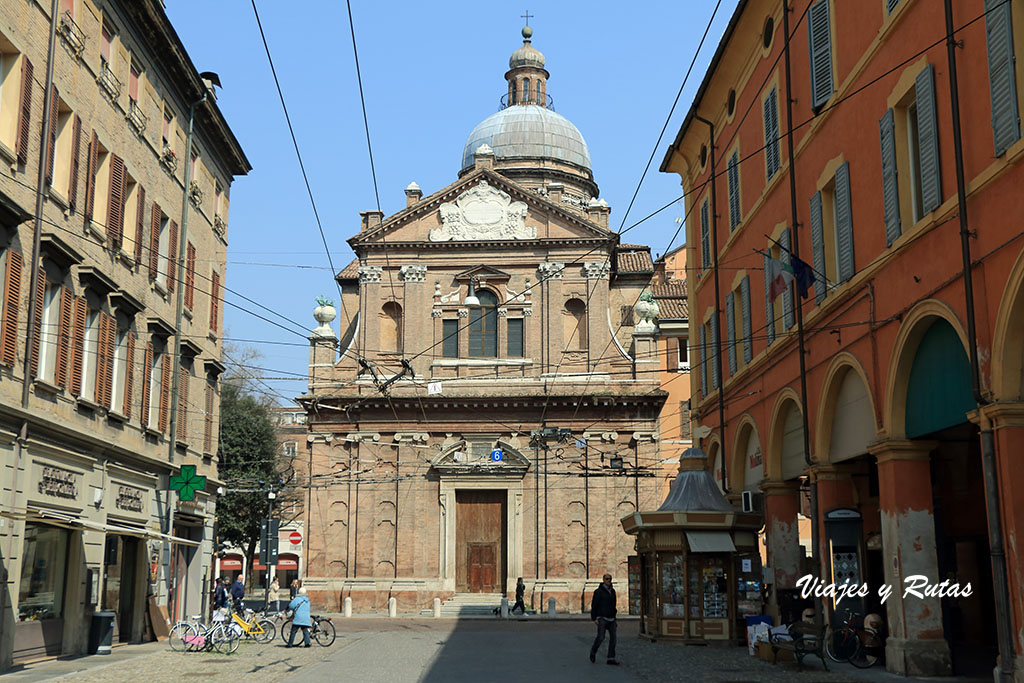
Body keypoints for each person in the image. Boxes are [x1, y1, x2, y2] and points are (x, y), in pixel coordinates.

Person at [589, 573, 618, 665]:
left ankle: (611, 658)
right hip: (602, 617)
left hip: (612, 618)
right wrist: (594, 618)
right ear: (603, 580)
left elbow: (614, 605)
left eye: (610, 579)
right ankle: (593, 652)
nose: (608, 581)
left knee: (613, 638)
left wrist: (615, 616)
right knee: (601, 637)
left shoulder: (613, 591)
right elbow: (594, 605)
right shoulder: (598, 591)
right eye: (607, 579)